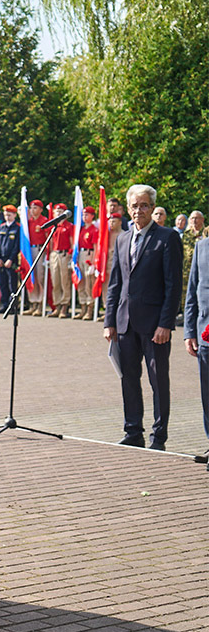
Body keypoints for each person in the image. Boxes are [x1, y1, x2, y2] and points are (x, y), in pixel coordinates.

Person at [103, 184, 182, 450]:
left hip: (154, 326)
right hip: (125, 324)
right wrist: (109, 321)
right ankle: (133, 430)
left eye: (145, 205)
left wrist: (166, 324)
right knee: (128, 379)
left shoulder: (167, 237)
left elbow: (173, 286)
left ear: (152, 207)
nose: (139, 210)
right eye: (135, 206)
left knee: (158, 381)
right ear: (129, 209)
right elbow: (115, 283)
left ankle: (158, 437)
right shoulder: (123, 238)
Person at [183, 232, 209, 468]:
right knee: (207, 394)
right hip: (205, 334)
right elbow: (193, 293)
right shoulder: (202, 246)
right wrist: (189, 331)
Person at [47, 204, 75, 318]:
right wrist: (49, 255)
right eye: (56, 211)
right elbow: (51, 242)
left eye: (60, 211)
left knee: (65, 281)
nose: (58, 213)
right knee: (55, 281)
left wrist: (71, 255)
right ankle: (57, 305)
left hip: (64, 254)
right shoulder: (54, 226)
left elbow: (72, 241)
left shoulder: (69, 226)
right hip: (55, 254)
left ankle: (65, 306)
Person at [0, 205, 22, 313]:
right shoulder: (2, 227)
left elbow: (16, 246)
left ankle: (12, 306)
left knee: (12, 284)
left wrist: (11, 259)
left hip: (12, 260)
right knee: (3, 283)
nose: (7, 217)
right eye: (6, 215)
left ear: (15, 215)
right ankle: (5, 304)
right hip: (2, 260)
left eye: (9, 215)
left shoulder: (17, 228)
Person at [76, 206, 99, 320]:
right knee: (81, 282)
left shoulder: (94, 230)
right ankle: (83, 307)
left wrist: (94, 263)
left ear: (92, 216)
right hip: (81, 254)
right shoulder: (81, 229)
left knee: (89, 283)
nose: (84, 217)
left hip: (89, 254)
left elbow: (95, 247)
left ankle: (90, 308)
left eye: (87, 215)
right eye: (83, 214)